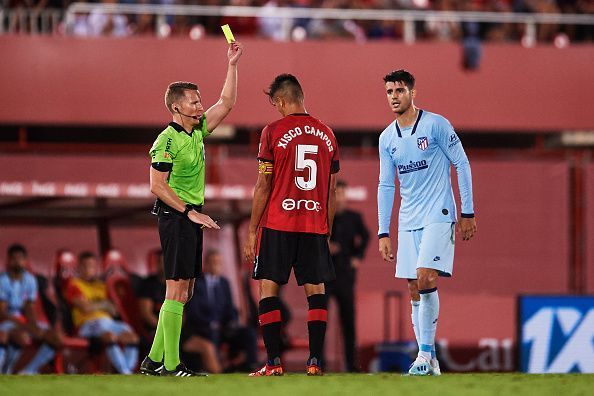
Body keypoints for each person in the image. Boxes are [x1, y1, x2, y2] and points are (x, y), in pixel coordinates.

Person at [141, 41, 244, 378]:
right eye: (194, 101)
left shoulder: (197, 130)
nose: (201, 105)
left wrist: (232, 64)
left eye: (200, 101)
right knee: (176, 289)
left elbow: (227, 102)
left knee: (185, 290)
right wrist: (189, 212)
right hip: (176, 217)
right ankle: (171, 365)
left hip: (189, 217)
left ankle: (154, 360)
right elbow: (157, 186)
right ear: (176, 107)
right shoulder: (166, 140)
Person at [377, 69, 477, 376]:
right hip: (408, 219)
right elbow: (386, 185)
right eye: (389, 92)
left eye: (399, 91)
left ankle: (423, 353)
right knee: (413, 287)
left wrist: (468, 212)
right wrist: (383, 231)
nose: (394, 96)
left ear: (412, 93)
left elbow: (461, 162)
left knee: (424, 277)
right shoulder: (387, 138)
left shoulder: (436, 125)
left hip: (439, 214)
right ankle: (430, 362)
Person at [243, 73, 340, 376]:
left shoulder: (271, 132)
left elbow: (263, 184)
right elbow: (331, 191)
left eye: (276, 104)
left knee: (268, 289)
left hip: (278, 223)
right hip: (313, 223)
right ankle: (315, 362)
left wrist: (251, 230)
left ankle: (273, 363)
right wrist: (327, 229)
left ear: (282, 100)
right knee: (316, 290)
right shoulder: (327, 134)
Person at [182, 249, 257, 373]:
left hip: (222, 328)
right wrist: (212, 323)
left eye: (217, 262)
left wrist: (232, 322)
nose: (215, 265)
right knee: (212, 333)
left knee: (248, 333)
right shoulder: (196, 283)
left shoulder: (224, 283)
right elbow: (193, 310)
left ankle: (250, 367)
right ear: (205, 264)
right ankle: (218, 370)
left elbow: (230, 308)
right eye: (212, 262)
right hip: (202, 329)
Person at [65, 251, 139, 374]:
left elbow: (114, 310)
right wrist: (104, 305)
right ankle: (125, 372)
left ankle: (127, 370)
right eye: (85, 266)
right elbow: (85, 308)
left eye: (92, 266)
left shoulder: (101, 286)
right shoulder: (74, 284)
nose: (89, 269)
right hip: (87, 324)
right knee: (109, 336)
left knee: (132, 337)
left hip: (108, 322)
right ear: (79, 267)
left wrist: (97, 305)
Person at [325, 180, 369, 372]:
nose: (340, 198)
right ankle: (317, 363)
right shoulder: (324, 217)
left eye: (343, 194)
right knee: (319, 320)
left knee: (348, 321)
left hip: (345, 275)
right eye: (337, 193)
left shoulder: (354, 217)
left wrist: (357, 257)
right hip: (325, 274)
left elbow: (366, 237)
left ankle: (351, 365)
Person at [0, 244, 63, 375]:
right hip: (7, 321)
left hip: (23, 321)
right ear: (9, 261)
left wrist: (33, 325)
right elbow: (2, 312)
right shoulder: (3, 280)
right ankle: (5, 371)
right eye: (14, 258)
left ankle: (28, 371)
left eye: (20, 258)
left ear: (25, 261)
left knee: (56, 338)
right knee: (21, 337)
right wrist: (24, 326)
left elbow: (30, 306)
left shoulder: (30, 279)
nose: (18, 261)